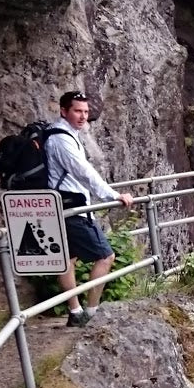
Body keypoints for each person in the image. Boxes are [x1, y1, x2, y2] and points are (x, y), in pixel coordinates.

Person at [48, 89, 134, 327]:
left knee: (67, 258)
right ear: (64, 111)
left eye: (86, 111)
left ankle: (75, 313)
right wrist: (113, 195)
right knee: (105, 256)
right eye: (77, 111)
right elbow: (83, 172)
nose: (83, 116)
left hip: (60, 205)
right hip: (71, 206)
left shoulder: (61, 135)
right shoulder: (61, 140)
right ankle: (91, 313)